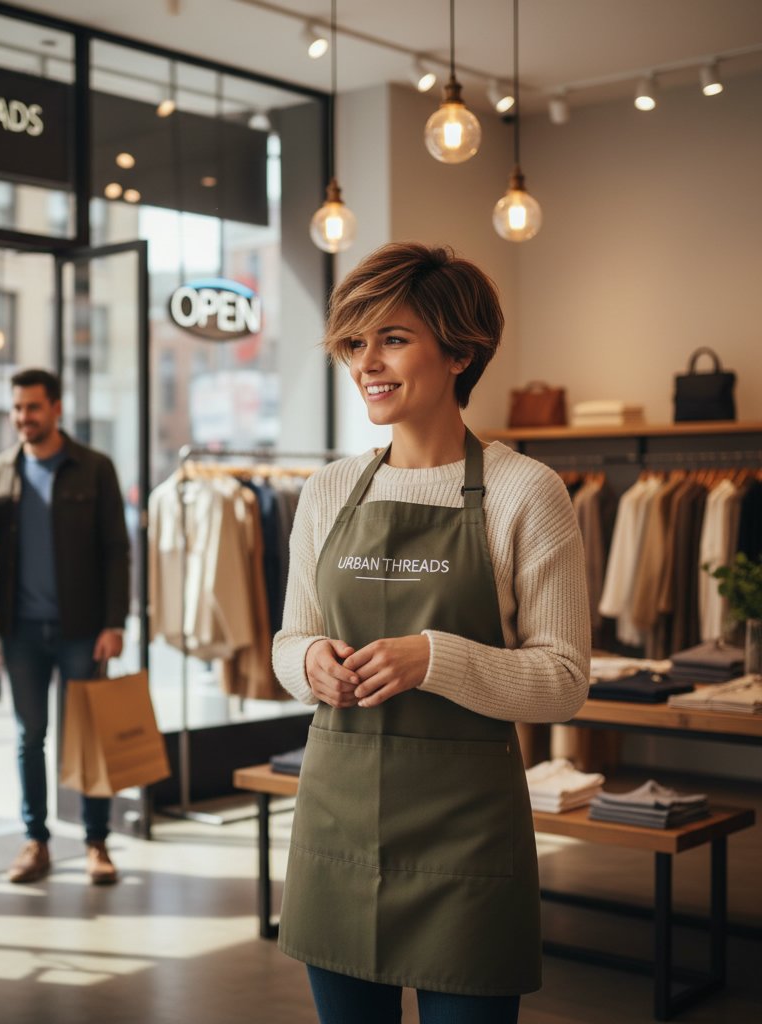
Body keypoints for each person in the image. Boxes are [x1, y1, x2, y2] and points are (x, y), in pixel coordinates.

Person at [272, 243, 591, 1024]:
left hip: (468, 845)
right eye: (354, 342)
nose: (366, 363)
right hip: (336, 828)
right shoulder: (329, 489)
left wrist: (433, 658)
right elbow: (288, 638)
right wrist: (309, 660)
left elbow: (563, 679)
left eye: (392, 338)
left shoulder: (526, 492)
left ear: (459, 351)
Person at [0, 368, 130, 886]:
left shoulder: (94, 468)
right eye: (18, 409)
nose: (24, 418)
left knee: (88, 736)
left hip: (82, 629)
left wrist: (115, 622)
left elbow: (117, 550)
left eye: (33, 407)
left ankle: (97, 842)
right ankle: (37, 841)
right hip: (21, 632)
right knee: (30, 737)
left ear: (56, 409)